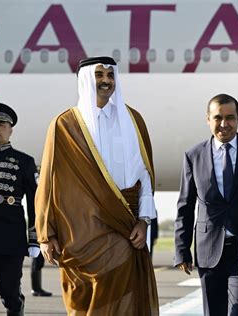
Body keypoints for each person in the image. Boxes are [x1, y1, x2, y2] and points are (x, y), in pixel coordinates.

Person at [35, 56, 159, 315]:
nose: (106, 81)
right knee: (86, 302)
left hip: (124, 230)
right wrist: (46, 235)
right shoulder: (64, 125)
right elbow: (48, 182)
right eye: (99, 75)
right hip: (80, 234)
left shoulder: (133, 120)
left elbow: (145, 176)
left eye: (110, 76)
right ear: (85, 80)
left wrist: (144, 220)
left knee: (124, 296)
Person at [174, 94, 238, 316]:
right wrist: (181, 250)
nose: (224, 124)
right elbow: (185, 206)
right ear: (208, 119)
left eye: (230, 118)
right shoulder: (193, 156)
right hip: (208, 250)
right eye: (218, 118)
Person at [0, 102, 40, 316]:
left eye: (1, 125)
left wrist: (34, 237)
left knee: (9, 292)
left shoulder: (24, 162)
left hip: (10, 237)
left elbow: (35, 202)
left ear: (10, 129)